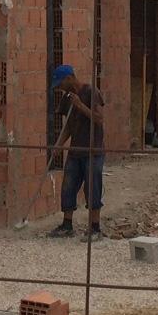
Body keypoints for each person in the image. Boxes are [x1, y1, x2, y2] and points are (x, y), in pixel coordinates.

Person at [47, 63, 105, 241]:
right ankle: (67, 225)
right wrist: (59, 145)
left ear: (69, 78)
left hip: (92, 150)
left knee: (92, 187)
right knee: (68, 186)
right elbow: (68, 127)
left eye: (61, 84)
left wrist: (80, 105)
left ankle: (95, 228)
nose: (60, 88)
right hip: (75, 151)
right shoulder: (67, 98)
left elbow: (99, 119)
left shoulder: (91, 92)